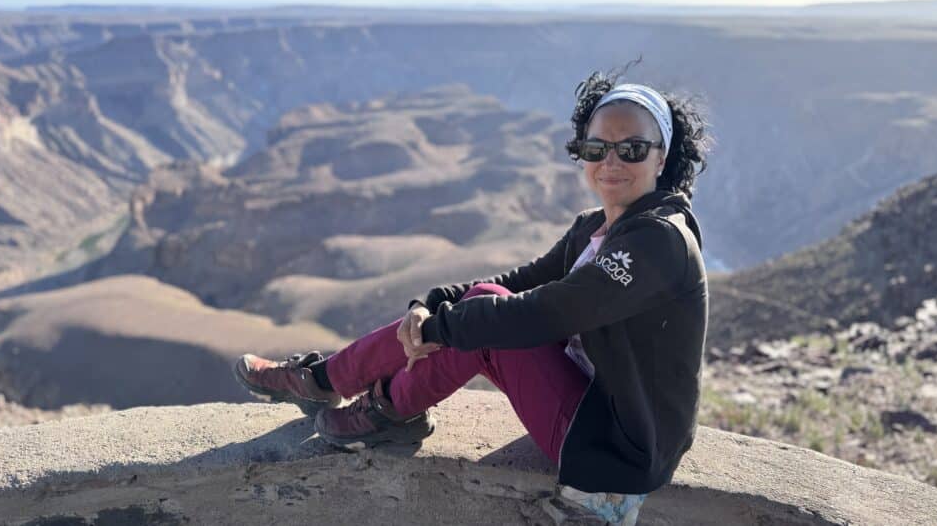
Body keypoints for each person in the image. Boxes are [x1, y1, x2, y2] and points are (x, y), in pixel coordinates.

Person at [234, 66, 711, 523]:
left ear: (661, 157)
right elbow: (527, 279)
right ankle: (327, 381)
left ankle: (385, 410)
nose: (610, 162)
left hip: (616, 447)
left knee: (484, 329)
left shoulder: (658, 240)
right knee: (480, 304)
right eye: (597, 147)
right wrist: (431, 303)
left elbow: (550, 312)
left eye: (632, 149)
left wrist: (441, 326)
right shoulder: (599, 226)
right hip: (593, 403)